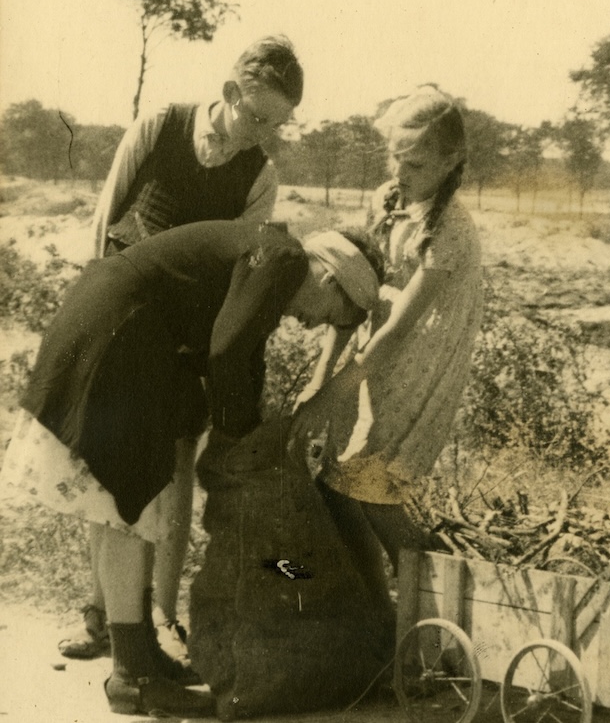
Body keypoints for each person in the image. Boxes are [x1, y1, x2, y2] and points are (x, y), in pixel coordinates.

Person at [0, 221, 383, 716]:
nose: (314, 326)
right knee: (124, 507)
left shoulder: (269, 253)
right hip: (120, 335)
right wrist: (240, 439)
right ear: (332, 279)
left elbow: (241, 350)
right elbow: (227, 355)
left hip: (115, 325)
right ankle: (132, 679)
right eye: (335, 315)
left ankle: (139, 655)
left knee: (115, 504)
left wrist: (244, 426)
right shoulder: (284, 261)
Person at [57, 35, 303, 666]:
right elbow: (104, 217)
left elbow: (240, 271)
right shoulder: (161, 123)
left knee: (174, 467)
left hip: (186, 333)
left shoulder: (261, 175)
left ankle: (162, 617)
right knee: (106, 471)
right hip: (123, 319)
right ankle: (103, 616)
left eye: (275, 125)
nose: (259, 134)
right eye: (254, 117)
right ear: (228, 94)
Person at [291, 84, 483, 621]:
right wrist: (321, 375)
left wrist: (335, 393)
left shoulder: (451, 231)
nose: (400, 173)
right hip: (367, 356)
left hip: (419, 364)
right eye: (395, 158)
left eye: (416, 164)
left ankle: (440, 620)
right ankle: (376, 614)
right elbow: (353, 295)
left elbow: (402, 326)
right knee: (338, 482)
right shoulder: (386, 200)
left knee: (375, 485)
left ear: (451, 161)